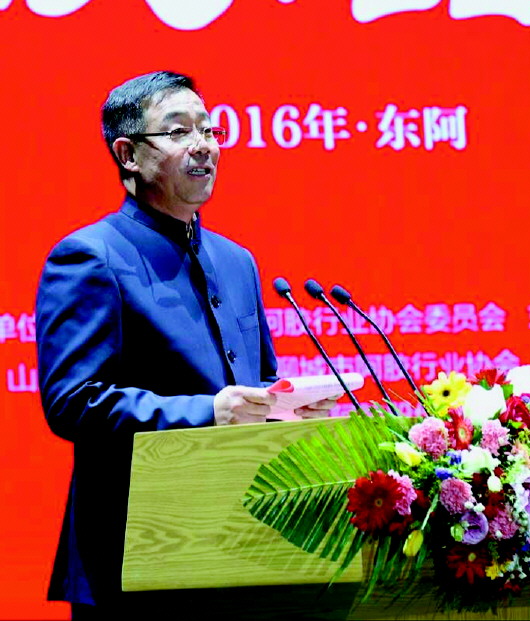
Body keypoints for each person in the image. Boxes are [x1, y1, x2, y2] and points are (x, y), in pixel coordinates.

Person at [36, 71, 339, 619]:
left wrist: (287, 406)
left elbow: (257, 383)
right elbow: (73, 403)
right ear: (128, 154)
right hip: (135, 555)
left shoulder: (236, 260)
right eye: (178, 132)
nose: (203, 145)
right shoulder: (90, 256)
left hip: (242, 545)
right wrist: (209, 412)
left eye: (209, 129)